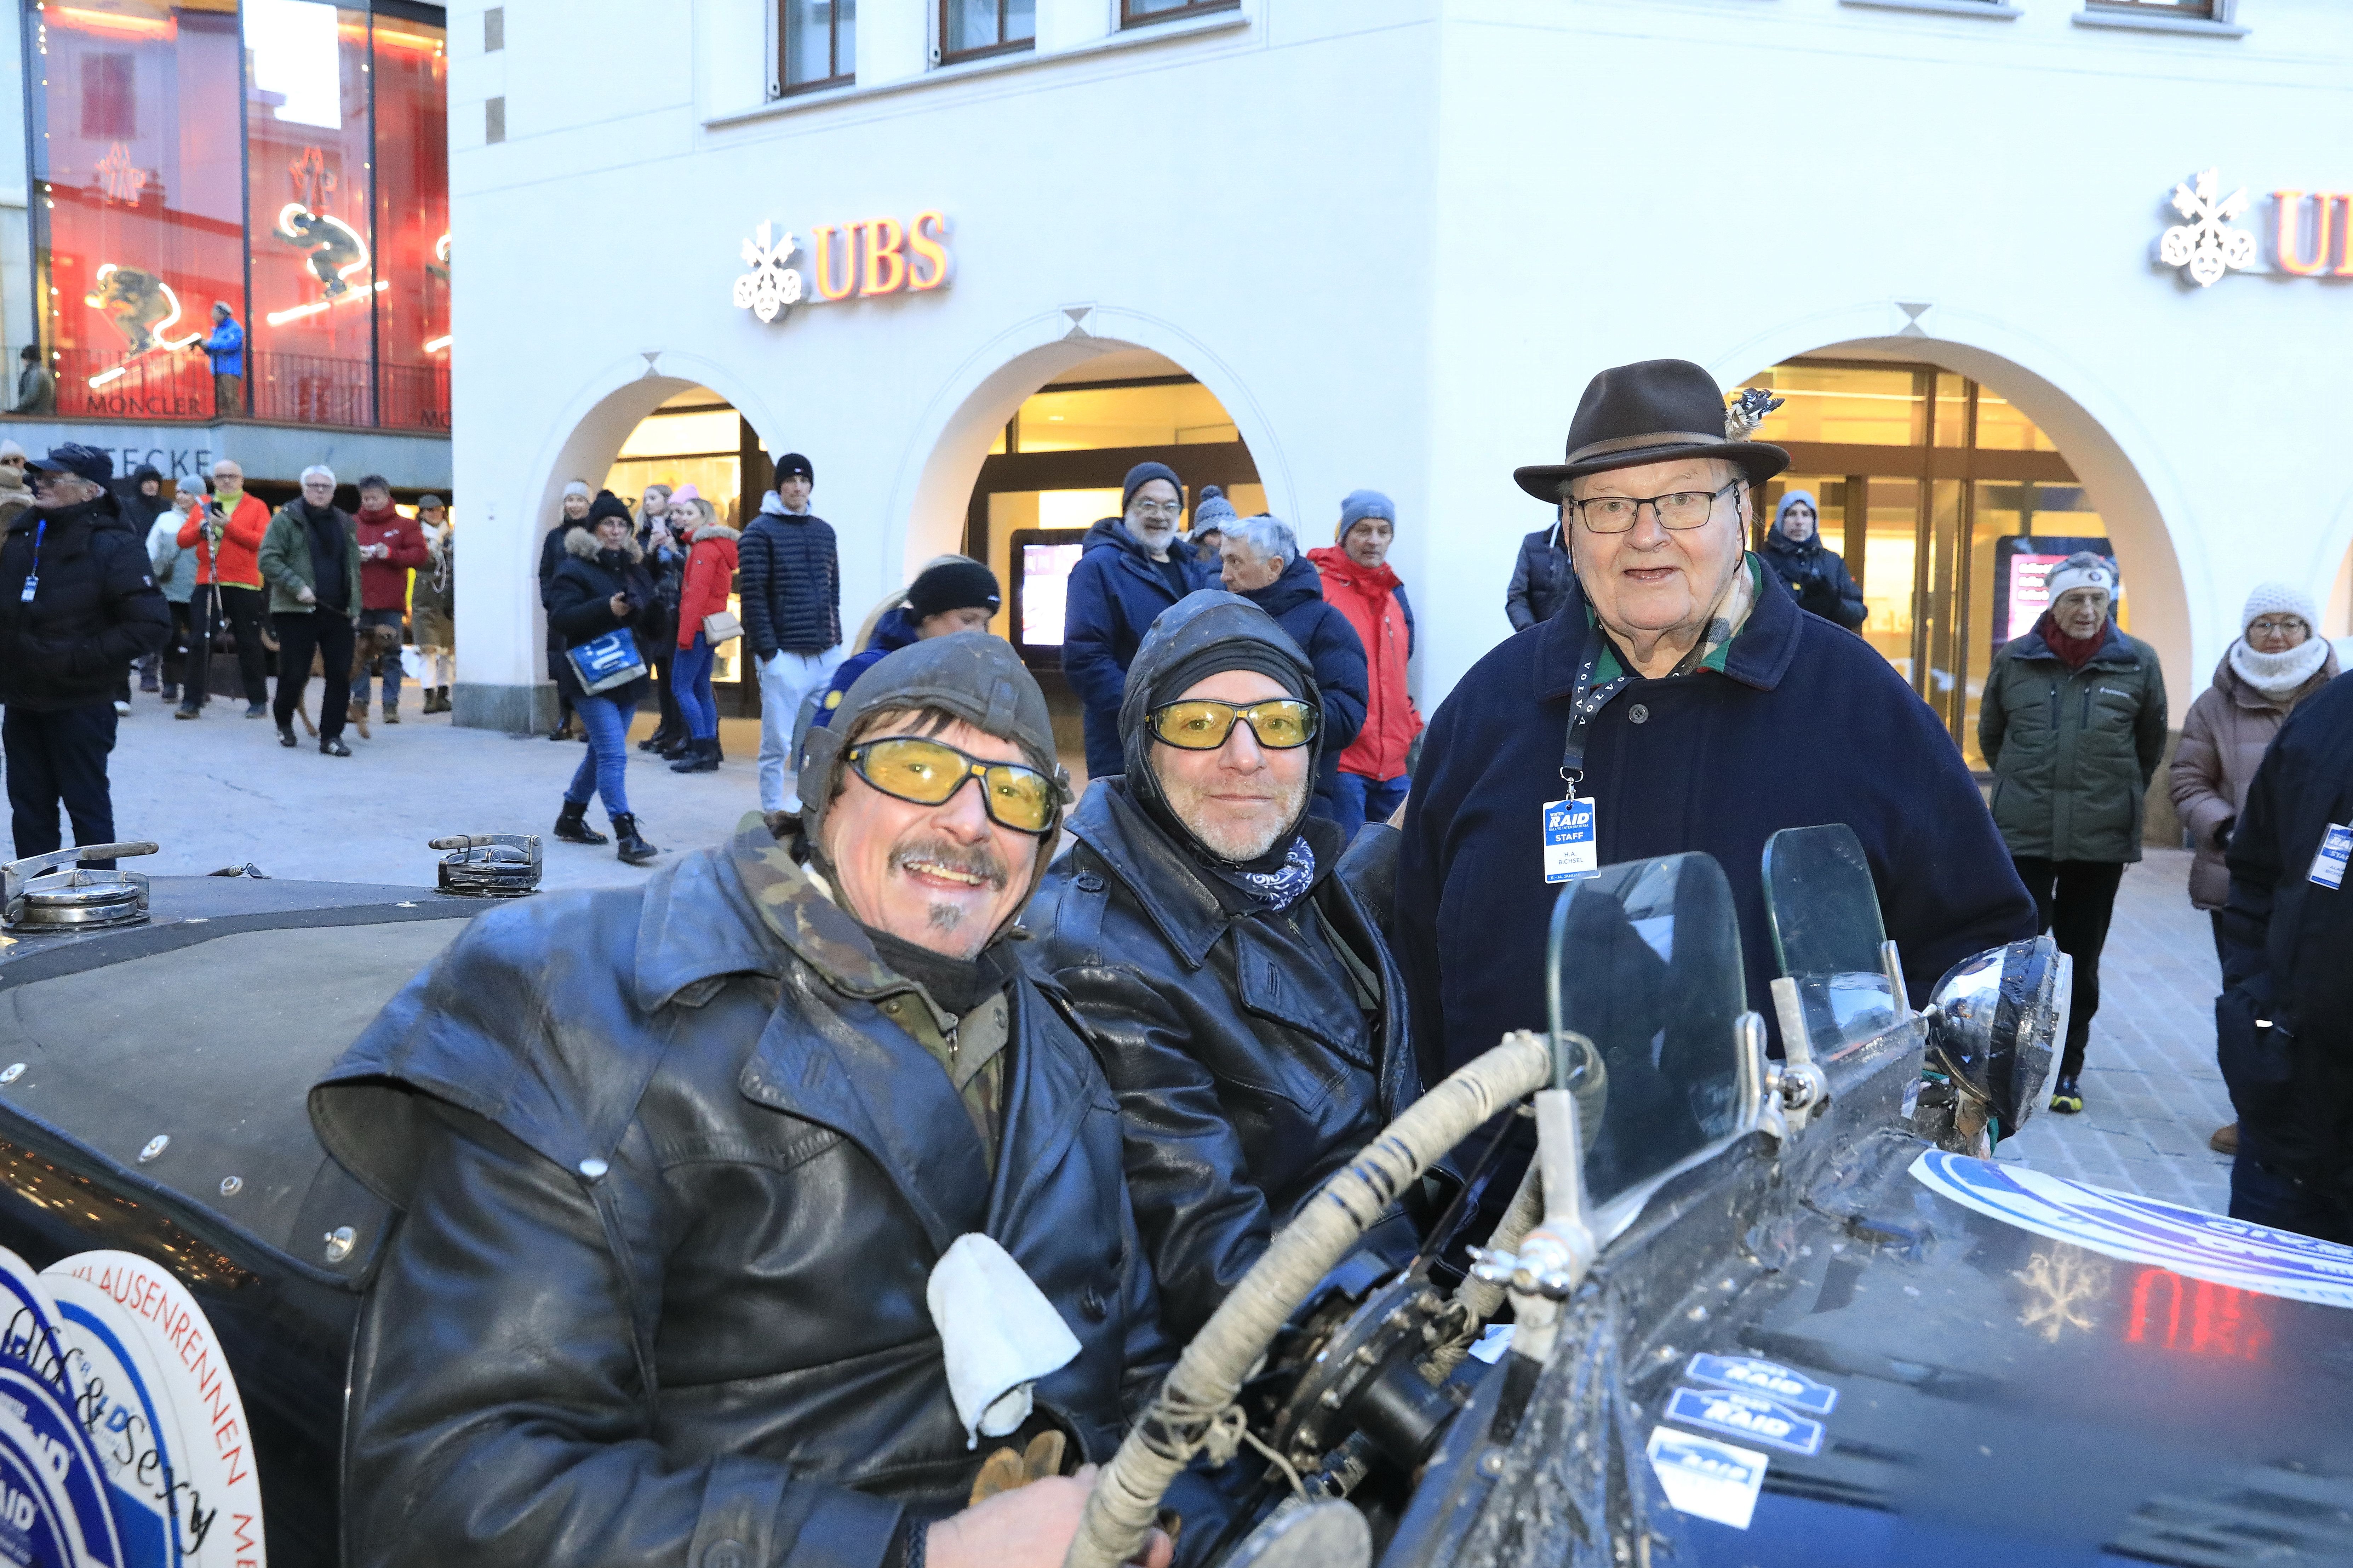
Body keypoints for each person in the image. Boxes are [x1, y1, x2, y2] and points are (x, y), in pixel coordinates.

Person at [312, 633, 1191, 1568]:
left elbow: (1131, 1356)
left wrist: (1172, 1507)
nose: (971, 820)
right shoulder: (587, 1004)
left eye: (1016, 793)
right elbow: (452, 1484)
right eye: (918, 764)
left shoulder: (1059, 1034)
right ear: (825, 788)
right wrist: (916, 1552)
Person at [1397, 360, 2034, 1165]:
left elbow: (1979, 953)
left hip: (1777, 1242)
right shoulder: (1487, 709)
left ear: (1743, 511)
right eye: (1606, 504)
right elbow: (1410, 961)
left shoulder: (1858, 705)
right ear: (1566, 527)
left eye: (1682, 499)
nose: (1644, 533)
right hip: (1504, 1240)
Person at [1027, 591, 1421, 1340]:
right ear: (1144, 740)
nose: (1245, 759)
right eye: (1199, 724)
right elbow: (1225, 1278)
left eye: (1276, 724)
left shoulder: (1287, 871)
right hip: (1326, 1358)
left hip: (1403, 1272)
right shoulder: (1098, 958)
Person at [1980, 550, 2168, 1116]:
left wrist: (2113, 794)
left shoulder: (2138, 661)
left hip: (2100, 838)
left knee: (2081, 958)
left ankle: (2067, 1065)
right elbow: (1994, 737)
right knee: (2023, 953)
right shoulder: (2016, 660)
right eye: (2075, 599)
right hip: (2025, 831)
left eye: (2097, 599)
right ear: (2054, 603)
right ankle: (2011, 1061)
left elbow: (2149, 746)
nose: (2087, 610)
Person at [2169, 583, 2340, 1158]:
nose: (2276, 634)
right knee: (2249, 997)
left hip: (2321, 890)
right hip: (2238, 877)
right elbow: (2186, 781)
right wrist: (2226, 828)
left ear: (2310, 630)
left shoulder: (2336, 699)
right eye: (2263, 623)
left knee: (2317, 997)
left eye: (2289, 622)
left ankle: (2314, 1115)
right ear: (2245, 632)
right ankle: (2254, 1114)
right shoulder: (2214, 703)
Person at [2216, 660, 2353, 1241]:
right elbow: (2254, 871)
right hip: (2288, 1108)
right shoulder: (2330, 714)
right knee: (2267, 1312)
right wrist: (2256, 1006)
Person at [0, 444, 168, 862]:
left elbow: (152, 625)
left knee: (87, 813)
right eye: (40, 476)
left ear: (90, 491)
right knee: (30, 812)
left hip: (81, 702)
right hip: (23, 701)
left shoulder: (114, 544)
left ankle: (102, 903)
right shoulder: (22, 533)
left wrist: (76, 661)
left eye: (55, 478)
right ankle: (35, 902)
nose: (41, 483)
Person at [1217, 515, 1367, 823]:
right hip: (1224, 789)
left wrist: (1265, 713)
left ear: (1274, 567)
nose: (1224, 575)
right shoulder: (1220, 617)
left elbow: (1346, 716)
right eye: (1223, 561)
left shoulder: (1326, 624)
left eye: (1235, 562)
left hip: (1298, 805)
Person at [1063, 462, 1198, 781]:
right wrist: (1147, 712)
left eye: (1170, 506)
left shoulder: (1192, 568)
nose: (1160, 515)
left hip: (1191, 736)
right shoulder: (1099, 567)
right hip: (1124, 742)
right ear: (1128, 509)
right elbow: (1086, 659)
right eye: (1147, 504)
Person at [546, 492, 660, 864]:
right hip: (589, 676)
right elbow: (561, 618)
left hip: (628, 673)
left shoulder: (635, 569)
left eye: (622, 525)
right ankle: (627, 833)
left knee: (601, 752)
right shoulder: (574, 567)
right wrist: (606, 609)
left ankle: (571, 817)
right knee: (613, 752)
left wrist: (653, 610)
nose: (615, 531)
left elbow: (654, 618)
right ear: (594, 530)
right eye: (608, 524)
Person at [1309, 489, 1422, 842]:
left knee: (1400, 865)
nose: (1374, 540)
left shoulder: (1392, 595)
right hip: (1344, 764)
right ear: (1343, 534)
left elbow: (1397, 670)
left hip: (1393, 764)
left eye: (1383, 531)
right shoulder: (1319, 590)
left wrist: (1408, 724)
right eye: (1363, 530)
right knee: (1349, 872)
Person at [740, 451, 842, 811]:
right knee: (777, 746)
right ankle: (772, 813)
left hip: (826, 656)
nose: (798, 487)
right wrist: (770, 655)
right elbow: (752, 597)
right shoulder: (759, 532)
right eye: (790, 481)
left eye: (803, 481)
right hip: (784, 657)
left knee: (821, 739)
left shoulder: (824, 532)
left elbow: (834, 590)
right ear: (779, 486)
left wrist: (836, 641)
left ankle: (808, 809)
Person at [809, 556, 1002, 731]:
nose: (980, 633)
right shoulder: (867, 669)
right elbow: (820, 749)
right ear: (929, 616)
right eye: (968, 620)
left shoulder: (980, 677)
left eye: (985, 622)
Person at [259, 463, 364, 757]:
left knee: (340, 674)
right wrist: (297, 586)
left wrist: (356, 606)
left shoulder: (345, 522)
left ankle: (331, 736)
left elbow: (353, 568)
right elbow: (267, 559)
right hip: (296, 610)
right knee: (295, 673)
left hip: (338, 611)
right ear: (304, 489)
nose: (320, 491)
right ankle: (283, 720)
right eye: (314, 486)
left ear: (333, 490)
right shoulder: (286, 520)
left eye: (326, 486)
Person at [188, 457, 273, 718]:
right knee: (200, 641)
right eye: (221, 476)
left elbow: (262, 541)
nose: (226, 481)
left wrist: (229, 527)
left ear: (241, 480)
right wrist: (201, 530)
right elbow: (183, 539)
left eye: (232, 476)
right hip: (209, 582)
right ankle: (192, 701)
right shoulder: (202, 505)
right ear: (214, 480)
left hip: (244, 584)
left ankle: (257, 700)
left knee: (249, 643)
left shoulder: (257, 506)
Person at [666, 488, 737, 777]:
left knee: (681, 688)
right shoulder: (716, 546)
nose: (683, 518)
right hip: (710, 627)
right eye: (681, 513)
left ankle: (701, 746)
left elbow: (696, 595)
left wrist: (684, 636)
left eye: (689, 514)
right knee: (701, 687)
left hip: (697, 627)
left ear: (704, 518)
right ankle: (710, 748)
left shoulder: (704, 549)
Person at [350, 475, 427, 726]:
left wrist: (391, 554)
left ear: (386, 497)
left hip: (391, 601)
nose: (370, 503)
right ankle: (360, 703)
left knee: (392, 654)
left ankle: (391, 706)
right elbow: (338, 553)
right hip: (360, 601)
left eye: (375, 498)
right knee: (360, 654)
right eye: (366, 498)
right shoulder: (351, 524)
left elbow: (419, 555)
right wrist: (354, 557)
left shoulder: (405, 526)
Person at [1758, 490, 1865, 631]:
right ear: (1780, 520)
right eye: (1792, 514)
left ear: (1815, 521)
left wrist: (1836, 604)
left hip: (1825, 646)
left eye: (1806, 514)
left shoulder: (1833, 562)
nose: (1799, 522)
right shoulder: (1763, 562)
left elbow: (1859, 611)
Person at [632, 482, 686, 755]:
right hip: (655, 611)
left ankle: (681, 730)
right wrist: (650, 550)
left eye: (653, 498)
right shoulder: (642, 535)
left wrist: (673, 546)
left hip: (679, 609)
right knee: (662, 672)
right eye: (645, 498)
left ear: (667, 501)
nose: (647, 503)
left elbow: (687, 569)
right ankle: (667, 727)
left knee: (678, 674)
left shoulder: (681, 530)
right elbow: (641, 574)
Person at [539, 480, 594, 742]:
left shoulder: (597, 534)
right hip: (561, 611)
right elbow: (546, 572)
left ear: (589, 503)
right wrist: (550, 600)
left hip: (590, 610)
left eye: (580, 500)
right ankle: (565, 719)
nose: (574, 505)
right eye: (570, 500)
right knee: (561, 665)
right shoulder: (555, 537)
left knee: (590, 662)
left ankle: (593, 723)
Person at [147, 475, 205, 709]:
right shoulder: (166, 519)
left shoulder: (207, 519)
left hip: (199, 590)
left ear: (198, 496)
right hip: (169, 590)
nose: (181, 496)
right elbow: (150, 550)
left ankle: (198, 686)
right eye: (179, 492)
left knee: (198, 642)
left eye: (187, 493)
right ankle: (170, 684)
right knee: (170, 639)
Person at [122, 465, 170, 697]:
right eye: (146, 481)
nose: (152, 486)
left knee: (166, 622)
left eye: (155, 481)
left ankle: (166, 673)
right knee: (144, 620)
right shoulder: (128, 507)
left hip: (168, 573)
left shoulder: (167, 507)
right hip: (138, 570)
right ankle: (148, 672)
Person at [409, 496, 456, 715]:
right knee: (426, 649)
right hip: (425, 597)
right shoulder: (415, 535)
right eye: (428, 510)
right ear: (422, 513)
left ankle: (445, 694)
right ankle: (429, 695)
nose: (434, 514)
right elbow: (417, 560)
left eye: (437, 510)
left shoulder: (453, 535)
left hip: (449, 596)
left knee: (449, 651)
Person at [1505, 512, 1573, 631]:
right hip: (1539, 640)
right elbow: (1517, 597)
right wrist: (1531, 634)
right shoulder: (1532, 545)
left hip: (1586, 644)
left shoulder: (1598, 547)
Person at [1186, 484, 1238, 589]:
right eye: (1214, 534)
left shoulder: (1244, 560)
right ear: (1201, 538)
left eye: (1226, 532)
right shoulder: (1188, 566)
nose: (1222, 540)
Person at [203, 303, 244, 418]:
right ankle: (227, 418)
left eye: (214, 314)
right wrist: (205, 347)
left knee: (230, 397)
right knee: (222, 399)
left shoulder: (234, 329)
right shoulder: (218, 331)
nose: (213, 317)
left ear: (222, 314)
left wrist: (210, 344)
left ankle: (237, 421)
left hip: (230, 369)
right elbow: (214, 350)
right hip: (219, 369)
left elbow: (231, 345)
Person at [12, 345, 55, 417]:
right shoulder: (45, 372)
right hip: (45, 413)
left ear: (26, 359)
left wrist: (18, 409)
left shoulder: (34, 373)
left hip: (34, 415)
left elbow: (31, 396)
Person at [0, 441, 33, 526]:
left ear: (24, 462)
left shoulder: (35, 483)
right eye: (6, 462)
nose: (12, 465)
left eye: (16, 460)